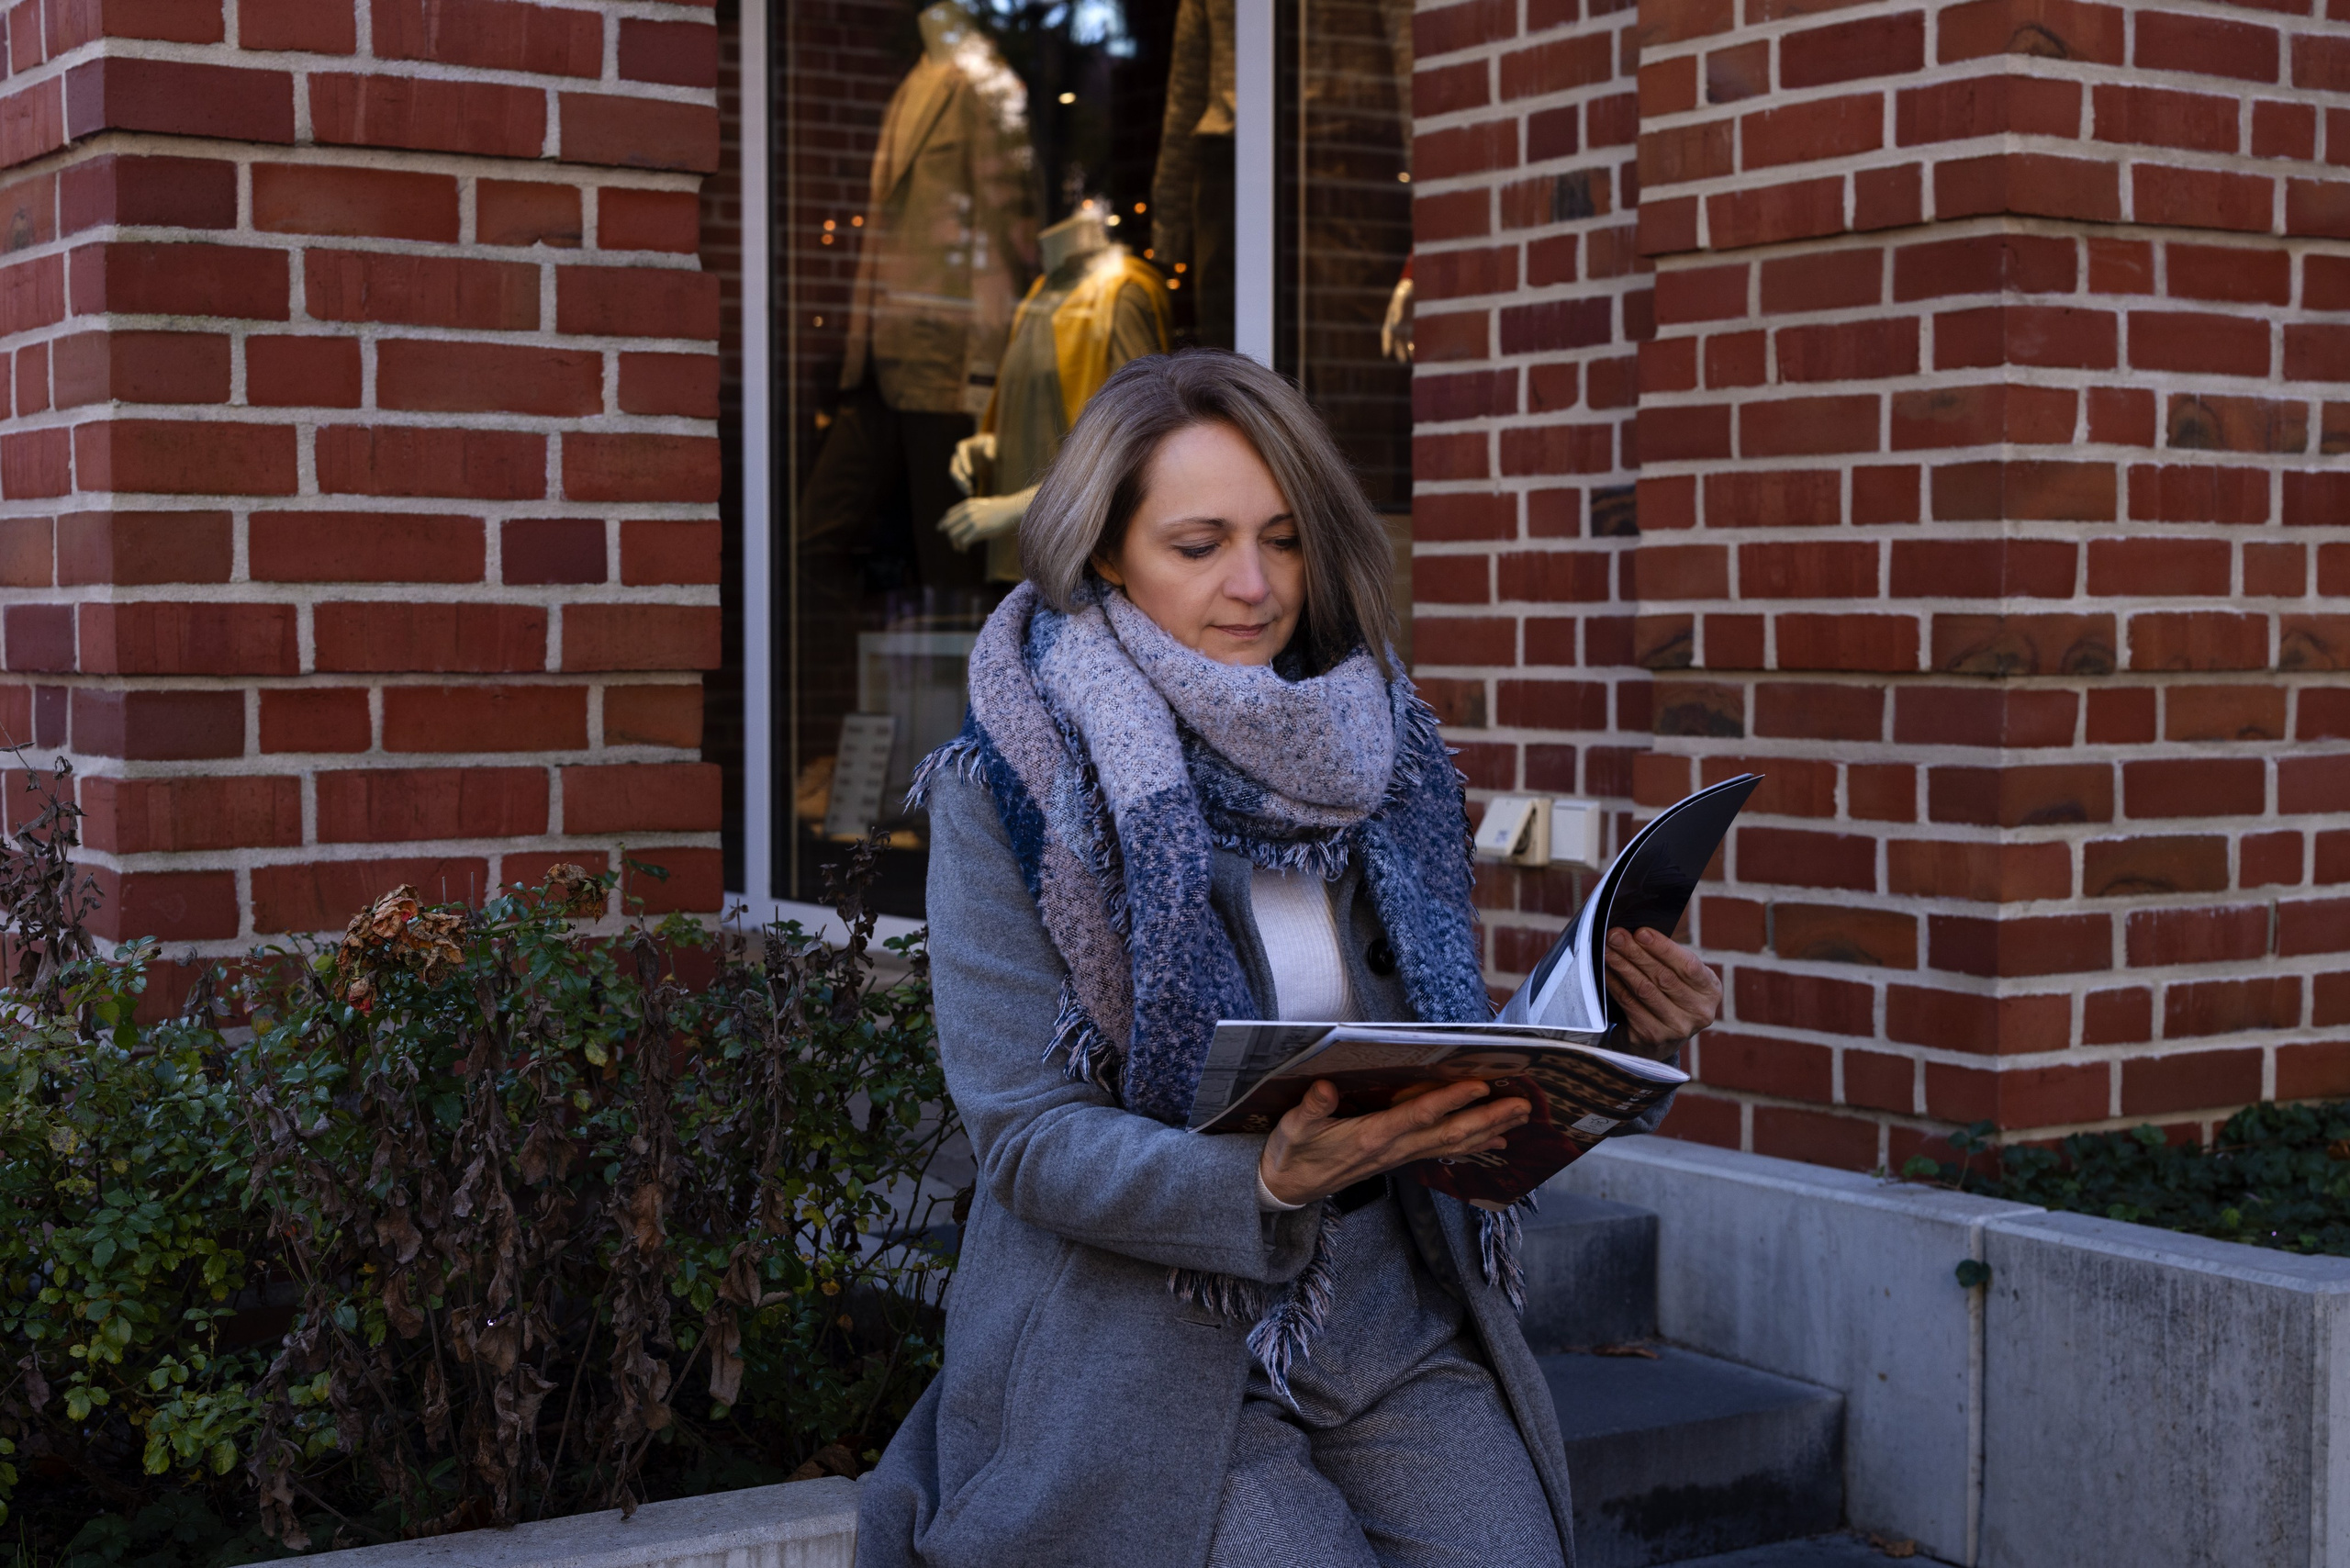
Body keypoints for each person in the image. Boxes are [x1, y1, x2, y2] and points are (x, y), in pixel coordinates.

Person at [856, 349, 1722, 1568]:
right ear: (1107, 551)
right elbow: (1027, 1137)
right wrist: (1262, 1178)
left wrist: (1613, 1036)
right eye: (1199, 544)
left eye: (1284, 538)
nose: (1255, 586)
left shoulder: (1377, 747)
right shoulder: (1015, 783)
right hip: (1150, 1331)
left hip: (1384, 1307)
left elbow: (1433, 1061)